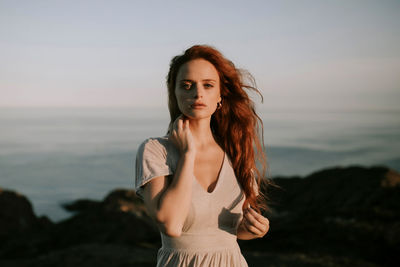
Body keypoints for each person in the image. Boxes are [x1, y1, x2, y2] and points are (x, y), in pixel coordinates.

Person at [135, 44, 271, 266]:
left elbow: (232, 229)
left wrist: (254, 230)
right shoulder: (156, 150)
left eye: (208, 85)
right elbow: (171, 224)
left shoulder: (236, 152)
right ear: (175, 93)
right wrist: (188, 154)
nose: (197, 93)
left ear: (220, 95)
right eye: (186, 86)